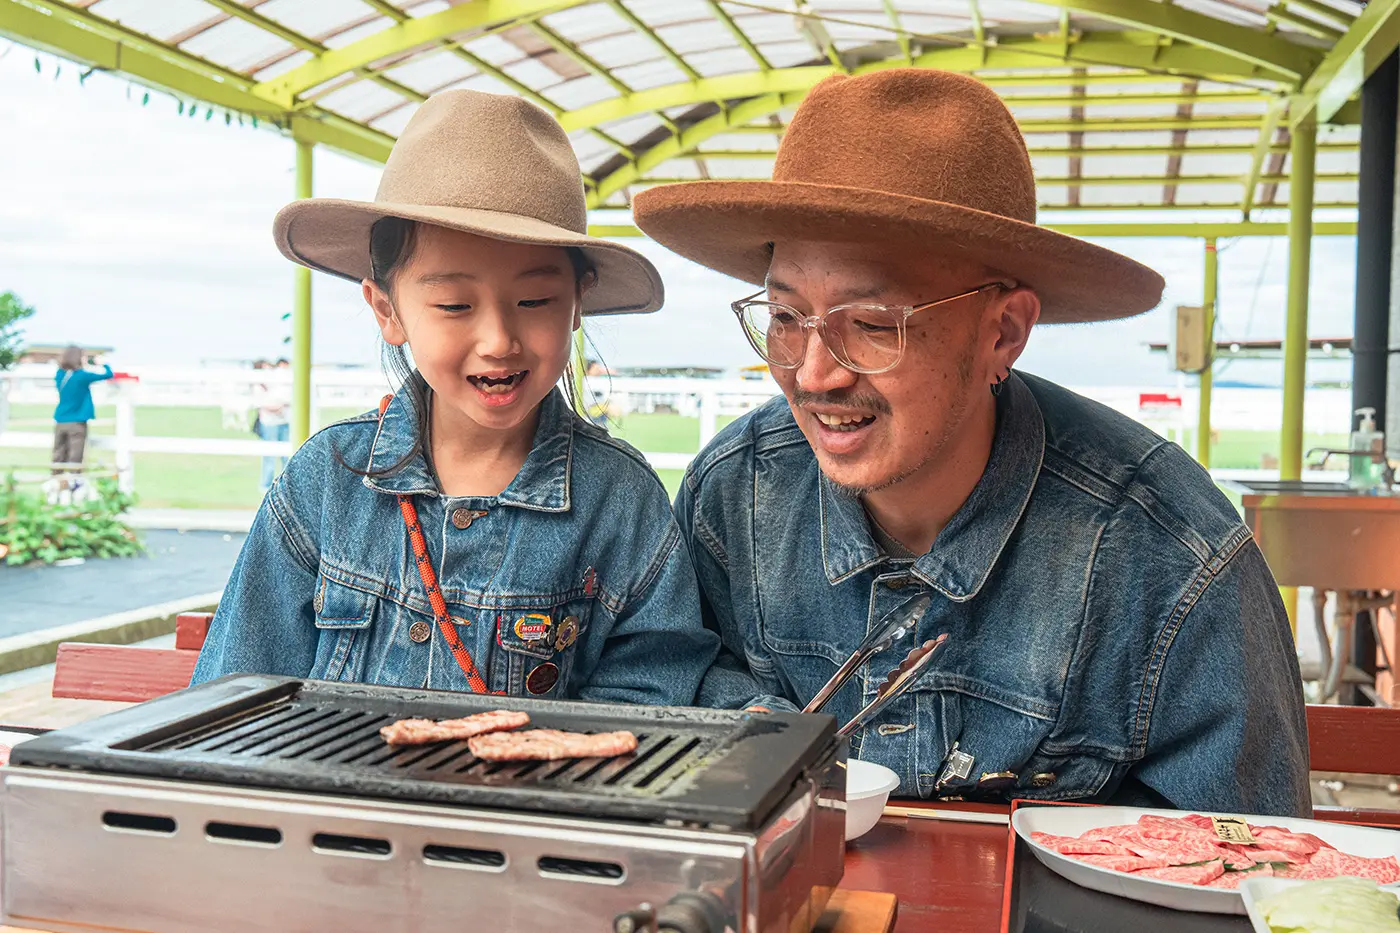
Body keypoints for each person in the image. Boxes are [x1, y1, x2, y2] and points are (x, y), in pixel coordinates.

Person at [634, 70, 1309, 816]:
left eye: (873, 321)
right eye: (788, 316)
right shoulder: (732, 500)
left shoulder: (1171, 561)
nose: (813, 373)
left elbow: (1250, 869)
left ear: (1004, 332)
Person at [193, 89, 718, 704]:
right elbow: (237, 696)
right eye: (454, 306)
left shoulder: (620, 500)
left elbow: (652, 701)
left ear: (578, 303)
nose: (498, 341)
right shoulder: (327, 480)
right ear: (388, 310)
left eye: (535, 302)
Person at [51, 345, 113, 483]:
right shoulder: (82, 376)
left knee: (58, 455)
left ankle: (55, 483)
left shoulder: (60, 375)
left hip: (61, 420)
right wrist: (103, 363)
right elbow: (108, 374)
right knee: (75, 456)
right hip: (77, 422)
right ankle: (74, 484)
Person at [251, 358, 290, 494]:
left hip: (284, 421)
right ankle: (265, 487)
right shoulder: (259, 386)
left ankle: (286, 485)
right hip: (269, 423)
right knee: (269, 456)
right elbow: (262, 403)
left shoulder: (276, 382)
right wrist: (278, 406)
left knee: (287, 455)